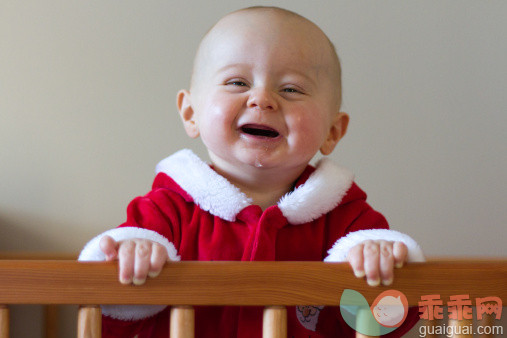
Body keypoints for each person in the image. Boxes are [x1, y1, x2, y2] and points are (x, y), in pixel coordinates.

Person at [79, 6, 424, 337]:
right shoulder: (163, 213)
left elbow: (384, 324)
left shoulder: (350, 224)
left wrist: (382, 270)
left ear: (332, 132)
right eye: (237, 83)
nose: (262, 98)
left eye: (291, 88)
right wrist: (127, 265)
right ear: (190, 113)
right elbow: (108, 321)